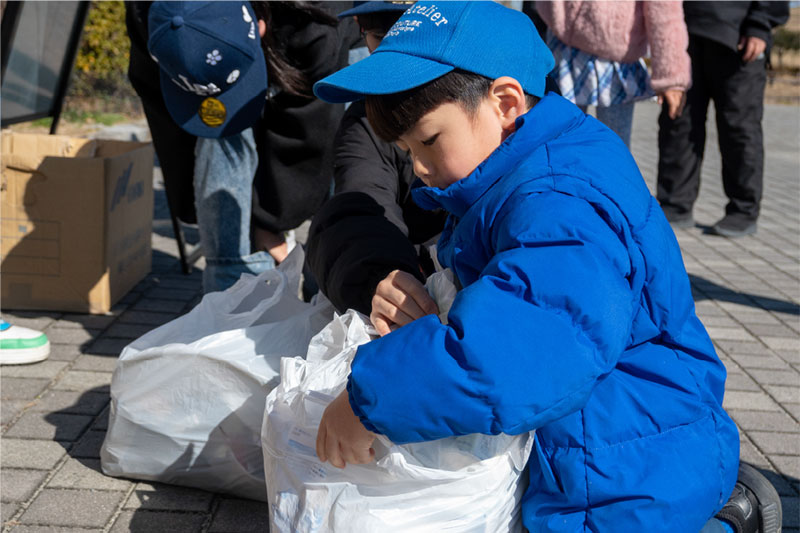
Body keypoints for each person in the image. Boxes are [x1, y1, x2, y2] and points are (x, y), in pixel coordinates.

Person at [309, 3, 777, 531]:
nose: (417, 167)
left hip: (626, 468)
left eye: (428, 141)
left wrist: (368, 398)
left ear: (505, 101)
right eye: (406, 149)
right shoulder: (531, 163)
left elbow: (510, 351)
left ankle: (728, 519)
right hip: (603, 436)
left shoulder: (559, 203)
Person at [125, 1, 355, 292]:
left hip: (336, 32)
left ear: (259, 25)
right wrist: (190, 201)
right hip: (247, 28)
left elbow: (311, 130)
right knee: (219, 131)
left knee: (348, 148)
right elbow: (165, 118)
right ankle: (234, 286)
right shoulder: (148, 15)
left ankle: (331, 283)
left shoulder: (314, 22)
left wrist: (270, 219)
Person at [306, 0, 447, 321]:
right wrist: (381, 275)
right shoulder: (363, 122)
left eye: (415, 32)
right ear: (360, 29)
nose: (422, 168)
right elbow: (359, 204)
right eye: (383, 34)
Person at [657, 1, 789, 236]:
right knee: (678, 121)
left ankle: (743, 210)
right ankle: (674, 204)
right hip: (683, 31)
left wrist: (760, 25)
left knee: (739, 128)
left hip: (738, 35)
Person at [531, 0, 691, 149]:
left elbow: (665, 11)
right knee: (558, 142)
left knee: (614, 146)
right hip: (562, 44)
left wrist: (671, 73)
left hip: (616, 58)